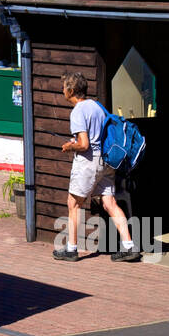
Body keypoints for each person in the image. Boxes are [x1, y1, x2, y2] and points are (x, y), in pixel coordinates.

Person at [53, 71, 141, 262]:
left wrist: (70, 146)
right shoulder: (97, 106)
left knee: (73, 204)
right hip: (106, 162)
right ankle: (129, 246)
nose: (62, 90)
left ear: (71, 90)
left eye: (64, 87)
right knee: (110, 203)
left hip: (88, 162)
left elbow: (84, 144)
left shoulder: (77, 111)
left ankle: (71, 249)